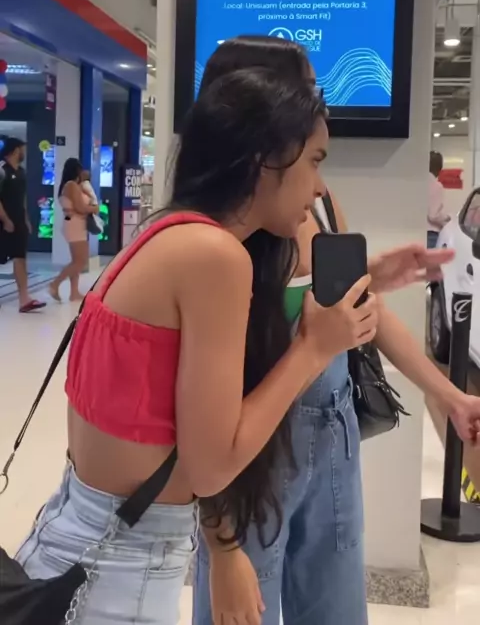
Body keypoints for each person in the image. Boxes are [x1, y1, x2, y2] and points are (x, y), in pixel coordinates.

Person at [16, 65, 378, 625]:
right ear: (265, 160)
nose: (319, 187)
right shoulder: (217, 257)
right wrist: (312, 348)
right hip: (119, 571)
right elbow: (211, 466)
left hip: (79, 536)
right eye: (314, 161)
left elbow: (180, 427)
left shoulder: (167, 233)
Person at [193, 38, 480, 625]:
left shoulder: (316, 207)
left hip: (334, 436)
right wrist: (221, 546)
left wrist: (450, 395)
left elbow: (363, 313)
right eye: (304, 89)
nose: (317, 102)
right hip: (253, 458)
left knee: (336, 608)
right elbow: (203, 419)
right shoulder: (215, 246)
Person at [0, 137, 46, 312]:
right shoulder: (2, 170)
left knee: (20, 258)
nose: (24, 153)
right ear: (15, 150)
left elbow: (22, 198)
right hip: (3, 221)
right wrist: (5, 220)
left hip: (18, 221)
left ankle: (24, 299)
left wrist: (25, 219)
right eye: (22, 149)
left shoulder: (21, 172)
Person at [49, 158, 99, 303]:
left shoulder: (73, 186)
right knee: (81, 261)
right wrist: (94, 209)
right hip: (75, 224)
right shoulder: (71, 185)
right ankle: (55, 284)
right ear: (76, 170)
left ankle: (74, 292)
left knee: (76, 260)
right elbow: (80, 207)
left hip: (75, 223)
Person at [427, 150, 450, 248]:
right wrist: (447, 219)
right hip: (431, 234)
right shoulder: (436, 186)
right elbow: (433, 216)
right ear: (439, 168)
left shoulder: (418, 183)